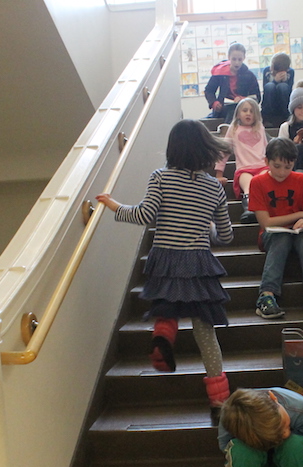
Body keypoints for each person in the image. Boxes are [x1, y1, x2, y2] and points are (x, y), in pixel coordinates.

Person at [95, 120, 233, 416]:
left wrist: (114, 205)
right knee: (205, 331)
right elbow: (227, 234)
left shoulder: (161, 177)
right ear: (206, 149)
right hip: (198, 261)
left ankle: (162, 339)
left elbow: (145, 214)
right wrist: (207, 230)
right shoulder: (214, 188)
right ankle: (220, 400)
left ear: (173, 148)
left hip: (167, 258)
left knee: (166, 309)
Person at [249, 137, 303, 320]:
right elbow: (266, 223)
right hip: (272, 234)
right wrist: (301, 215)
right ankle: (266, 296)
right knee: (282, 238)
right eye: (276, 166)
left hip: (299, 232)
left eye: (288, 167)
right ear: (266, 161)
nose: (282, 172)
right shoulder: (257, 182)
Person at [215, 98, 267, 224]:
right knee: (249, 184)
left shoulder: (260, 127)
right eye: (245, 110)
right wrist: (219, 174)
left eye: (252, 111)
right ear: (238, 114)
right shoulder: (234, 128)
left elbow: (267, 147)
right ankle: (249, 208)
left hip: (262, 166)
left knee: (263, 182)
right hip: (244, 169)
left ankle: (265, 210)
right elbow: (224, 150)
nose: (248, 113)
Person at [204, 43, 260, 123]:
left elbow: (257, 97)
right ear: (228, 57)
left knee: (234, 112)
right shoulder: (220, 73)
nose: (237, 63)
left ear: (244, 58)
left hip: (243, 109)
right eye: (234, 59)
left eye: (240, 59)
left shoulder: (249, 75)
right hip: (224, 107)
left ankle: (228, 131)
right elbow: (209, 90)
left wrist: (242, 99)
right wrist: (214, 103)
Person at [260, 52, 295, 127]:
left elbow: (290, 88)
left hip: (283, 101)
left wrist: (285, 81)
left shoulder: (290, 72)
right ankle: (267, 118)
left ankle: (286, 117)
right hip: (270, 101)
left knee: (283, 86)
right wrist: (275, 80)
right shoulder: (267, 71)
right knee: (270, 86)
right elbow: (265, 88)